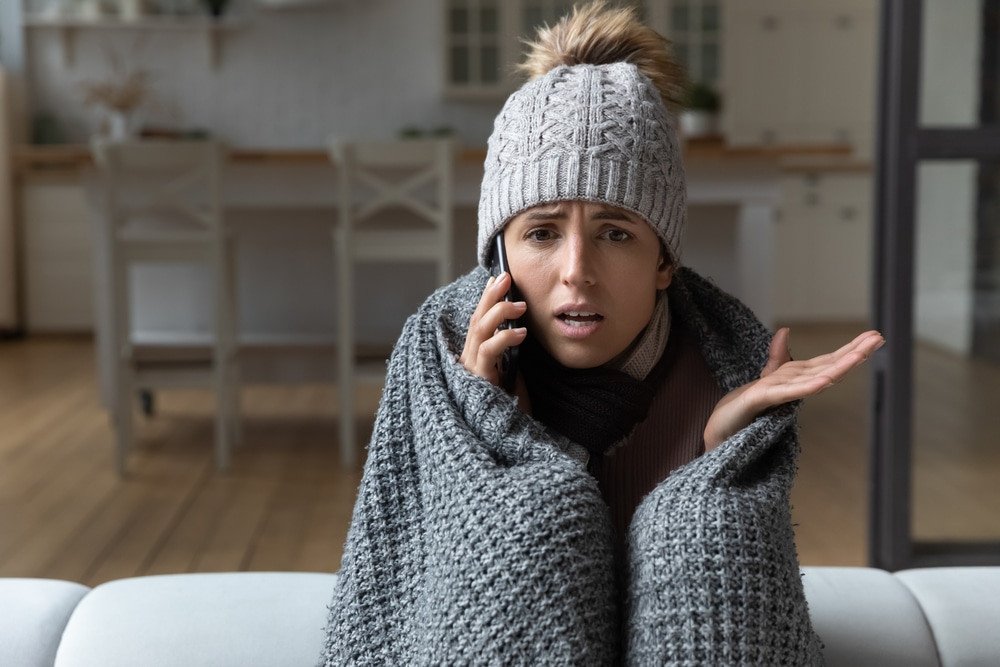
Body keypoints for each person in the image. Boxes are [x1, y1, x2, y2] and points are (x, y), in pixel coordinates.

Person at [321, 3, 883, 664]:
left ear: (665, 261)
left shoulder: (723, 370)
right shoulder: (444, 351)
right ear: (498, 256)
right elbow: (419, 586)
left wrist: (713, 449)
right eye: (541, 232)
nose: (576, 271)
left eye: (616, 233)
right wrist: (489, 427)